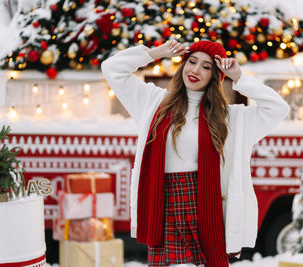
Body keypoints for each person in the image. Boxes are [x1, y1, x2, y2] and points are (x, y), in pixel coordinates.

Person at [101, 40, 290, 267]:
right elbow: (112, 69)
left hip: (203, 204)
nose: (195, 70)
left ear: (215, 76)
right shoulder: (152, 101)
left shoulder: (229, 118)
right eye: (192, 62)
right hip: (163, 202)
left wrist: (239, 76)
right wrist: (156, 53)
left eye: (206, 67)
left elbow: (278, 109)